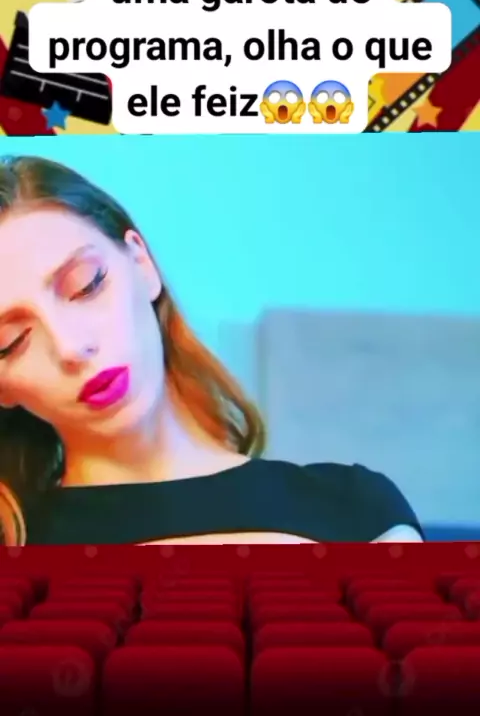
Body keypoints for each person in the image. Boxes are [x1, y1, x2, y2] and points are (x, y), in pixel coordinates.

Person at [0, 155, 423, 545]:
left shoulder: (358, 510)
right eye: (12, 341)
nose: (72, 347)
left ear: (142, 264)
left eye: (86, 285)